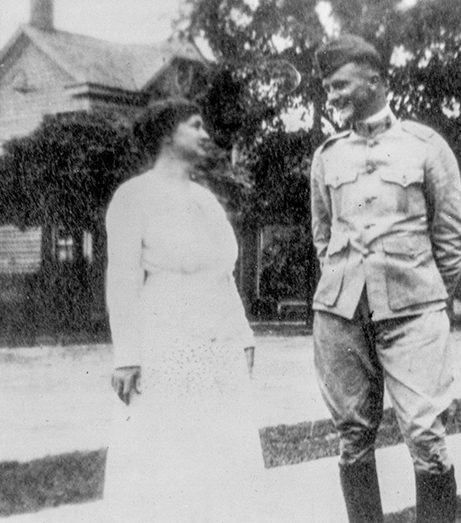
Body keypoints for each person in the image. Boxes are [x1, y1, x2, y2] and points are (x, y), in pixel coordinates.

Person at [310, 35, 461, 523]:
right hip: (341, 316)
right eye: (327, 87)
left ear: (375, 80)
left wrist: (423, 293)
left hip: (413, 313)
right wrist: (344, 289)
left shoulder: (425, 146)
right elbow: (323, 237)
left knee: (425, 436)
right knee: (352, 438)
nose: (332, 95)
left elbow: (452, 237)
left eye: (340, 84)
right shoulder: (327, 156)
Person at [102, 99, 266, 522]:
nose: (205, 134)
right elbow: (122, 278)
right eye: (195, 125)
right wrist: (127, 356)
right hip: (167, 341)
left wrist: (243, 337)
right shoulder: (134, 196)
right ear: (166, 135)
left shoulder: (207, 200)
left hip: (220, 346)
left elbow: (223, 274)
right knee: (168, 455)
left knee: (223, 457)